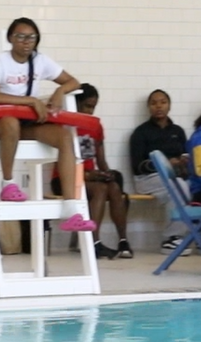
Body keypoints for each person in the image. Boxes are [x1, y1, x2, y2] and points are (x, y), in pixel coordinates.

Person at [0, 17, 95, 234]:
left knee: (64, 137)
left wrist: (59, 91)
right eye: (20, 37)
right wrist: (31, 101)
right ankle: (8, 184)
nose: (26, 42)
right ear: (10, 39)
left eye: (31, 37)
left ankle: (71, 209)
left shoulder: (40, 61)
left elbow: (73, 82)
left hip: (27, 123)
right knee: (10, 122)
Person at [58, 84, 129, 259]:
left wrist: (107, 174)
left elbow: (101, 160)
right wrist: (87, 175)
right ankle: (93, 242)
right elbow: (59, 163)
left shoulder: (95, 126)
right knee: (100, 189)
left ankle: (123, 241)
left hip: (89, 178)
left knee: (112, 187)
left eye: (93, 107)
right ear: (77, 104)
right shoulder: (64, 125)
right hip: (65, 180)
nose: (90, 111)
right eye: (87, 106)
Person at [129, 89, 189, 251]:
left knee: (200, 186)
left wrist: (183, 163)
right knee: (179, 187)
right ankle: (171, 238)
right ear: (148, 107)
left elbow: (186, 155)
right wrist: (164, 164)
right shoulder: (141, 133)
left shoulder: (178, 131)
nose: (158, 106)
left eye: (163, 102)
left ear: (169, 106)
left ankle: (200, 236)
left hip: (174, 177)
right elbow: (137, 166)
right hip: (147, 180)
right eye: (154, 103)